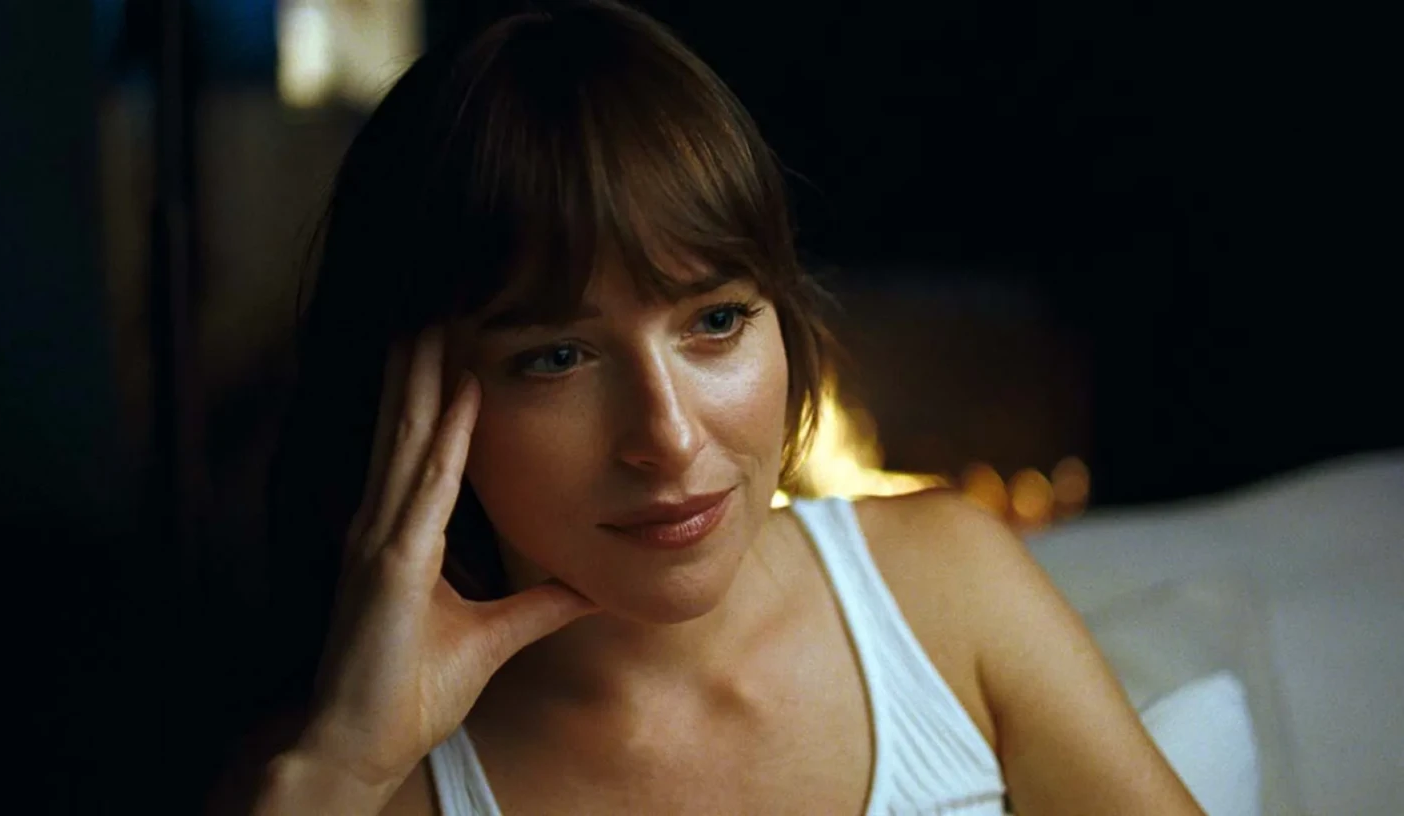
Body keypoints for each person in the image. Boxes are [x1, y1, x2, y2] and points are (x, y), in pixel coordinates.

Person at [214, 2, 1203, 813]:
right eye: (556, 357)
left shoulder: (944, 590)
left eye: (717, 320)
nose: (669, 435)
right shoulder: (353, 783)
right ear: (410, 407)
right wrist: (345, 764)